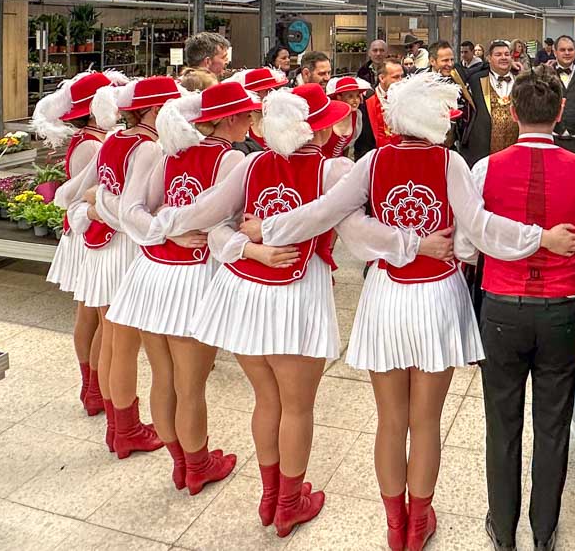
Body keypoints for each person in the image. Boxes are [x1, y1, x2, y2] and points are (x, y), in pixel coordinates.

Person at [238, 73, 575, 551]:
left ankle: (394, 524)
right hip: (437, 296)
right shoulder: (450, 162)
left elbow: (327, 213)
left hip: (386, 297)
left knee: (390, 420)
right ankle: (418, 522)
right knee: (425, 423)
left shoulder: (372, 161)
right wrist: (538, 238)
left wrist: (268, 228)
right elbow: (479, 229)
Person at [150, 83, 369, 536]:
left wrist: (246, 245)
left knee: (267, 400)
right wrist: (264, 243)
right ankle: (288, 502)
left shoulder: (250, 163)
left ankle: (270, 496)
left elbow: (211, 220)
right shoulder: (335, 170)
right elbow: (349, 231)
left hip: (243, 292)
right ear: (318, 129)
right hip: (297, 289)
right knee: (297, 407)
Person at [461, 69, 575, 551]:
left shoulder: (484, 169)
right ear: (560, 113)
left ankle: (503, 528)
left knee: (502, 423)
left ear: (513, 112)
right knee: (553, 424)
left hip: (502, 307)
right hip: (561, 306)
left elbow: (469, 244)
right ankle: (544, 530)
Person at [108, 81, 264, 494]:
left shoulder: (170, 153)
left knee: (164, 377)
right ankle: (197, 465)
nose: (252, 120)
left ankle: (181, 462)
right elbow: (213, 213)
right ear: (230, 118)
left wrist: (162, 230)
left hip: (150, 273)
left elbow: (131, 211)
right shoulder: (232, 159)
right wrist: (174, 229)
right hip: (193, 277)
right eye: (248, 114)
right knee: (190, 386)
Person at [68, 76, 187, 458]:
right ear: (155, 110)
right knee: (123, 345)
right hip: (127, 247)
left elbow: (82, 192)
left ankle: (116, 425)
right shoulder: (149, 147)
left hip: (101, 246)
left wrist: (96, 203)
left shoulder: (114, 139)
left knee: (111, 337)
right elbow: (130, 209)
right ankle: (126, 429)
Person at [33, 69, 125, 416]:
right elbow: (92, 191)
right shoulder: (91, 144)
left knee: (90, 314)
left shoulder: (93, 138)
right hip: (90, 232)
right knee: (98, 317)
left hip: (86, 230)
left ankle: (92, 386)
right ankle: (94, 386)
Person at [461, 40, 519, 166]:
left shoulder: (521, 79)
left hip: (516, 151)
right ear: (489, 58)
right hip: (483, 151)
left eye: (507, 54)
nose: (503, 57)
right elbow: (459, 74)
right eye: (498, 55)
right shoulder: (476, 80)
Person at [227, 67, 290, 152]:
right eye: (267, 90)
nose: (272, 94)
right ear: (255, 93)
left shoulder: (281, 116)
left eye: (273, 89)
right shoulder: (241, 120)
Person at [355, 59, 405, 158]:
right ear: (382, 78)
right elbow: (362, 142)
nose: (401, 81)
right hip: (372, 158)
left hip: (400, 157)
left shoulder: (407, 100)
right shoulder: (365, 100)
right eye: (396, 77)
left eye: (402, 76)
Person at [429, 41, 473, 148]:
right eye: (445, 60)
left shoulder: (458, 76)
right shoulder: (420, 80)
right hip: (427, 142)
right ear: (432, 61)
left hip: (452, 142)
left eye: (452, 60)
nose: (450, 64)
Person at [322, 75, 371, 159]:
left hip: (338, 163)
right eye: (350, 96)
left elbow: (347, 147)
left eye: (357, 96)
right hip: (320, 162)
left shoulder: (356, 116)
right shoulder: (329, 116)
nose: (355, 100)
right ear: (339, 97)